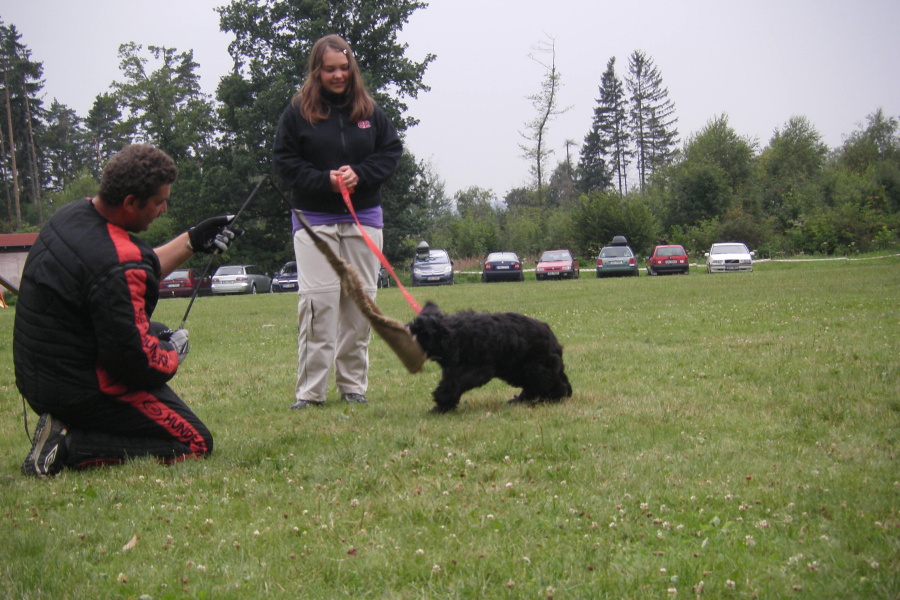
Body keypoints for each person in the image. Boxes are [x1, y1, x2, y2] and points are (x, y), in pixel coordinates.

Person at [15, 144, 242, 477]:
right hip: (76, 388)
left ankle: (65, 422)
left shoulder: (72, 216)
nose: (164, 208)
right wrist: (173, 353)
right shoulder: (117, 260)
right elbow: (135, 363)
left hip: (39, 376)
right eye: (159, 201)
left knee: (158, 329)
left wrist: (192, 240)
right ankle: (68, 445)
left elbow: (130, 268)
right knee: (195, 442)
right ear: (130, 202)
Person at [274, 34, 402, 410]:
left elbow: (391, 152)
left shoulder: (369, 110)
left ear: (352, 68)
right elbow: (285, 162)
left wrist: (359, 174)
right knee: (319, 304)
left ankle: (352, 387)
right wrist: (324, 180)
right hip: (314, 220)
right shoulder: (297, 111)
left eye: (344, 68)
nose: (337, 75)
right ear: (317, 70)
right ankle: (310, 393)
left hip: (363, 218)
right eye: (330, 69)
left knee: (360, 304)